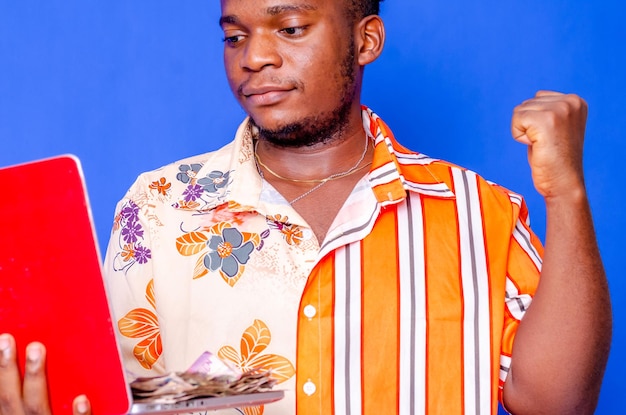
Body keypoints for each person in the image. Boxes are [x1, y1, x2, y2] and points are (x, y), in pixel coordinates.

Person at [0, 0, 612, 414]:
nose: (254, 57)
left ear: (365, 39)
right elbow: (140, 393)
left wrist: (567, 194)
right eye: (234, 35)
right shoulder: (160, 207)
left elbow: (557, 403)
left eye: (289, 28)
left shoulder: (478, 211)